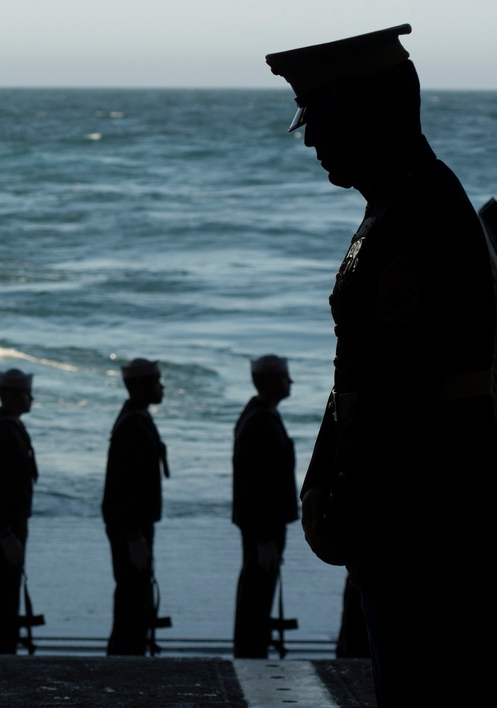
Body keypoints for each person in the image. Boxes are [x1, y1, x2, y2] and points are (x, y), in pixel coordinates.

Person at [267, 25, 496, 705]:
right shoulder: (402, 205)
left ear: (372, 111)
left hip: (424, 527)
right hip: (411, 524)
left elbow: (397, 395)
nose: (309, 139)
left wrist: (343, 511)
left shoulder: (418, 218)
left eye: (320, 116)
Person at [102, 358, 170, 655]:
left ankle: (129, 654)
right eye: (156, 381)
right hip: (132, 527)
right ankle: (125, 659)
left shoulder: (134, 418)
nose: (162, 387)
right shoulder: (133, 425)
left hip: (135, 526)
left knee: (135, 592)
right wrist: (133, 536)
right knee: (132, 593)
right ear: (141, 386)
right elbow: (124, 485)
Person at [231, 355, 297, 658]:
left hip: (265, 526)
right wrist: (262, 537)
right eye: (285, 377)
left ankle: (251, 651)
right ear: (271, 382)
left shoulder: (260, 415)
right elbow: (252, 485)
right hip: (264, 527)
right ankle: (250, 655)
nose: (291, 383)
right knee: (257, 593)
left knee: (258, 590)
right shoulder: (260, 421)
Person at [0, 369, 39, 654]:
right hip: (7, 527)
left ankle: (2, 648)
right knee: (4, 589)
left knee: (7, 587)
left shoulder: (6, 426)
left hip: (11, 525)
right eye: (27, 393)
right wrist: (4, 533)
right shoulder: (4, 432)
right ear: (12, 396)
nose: (32, 398)